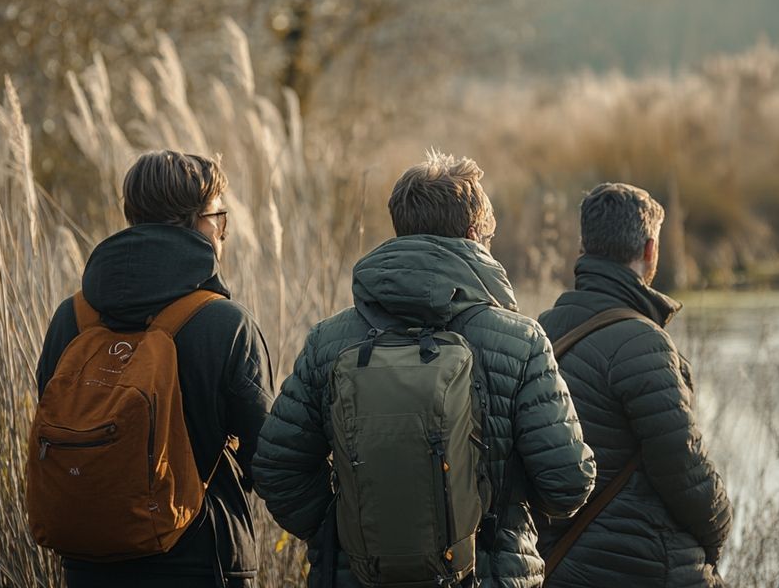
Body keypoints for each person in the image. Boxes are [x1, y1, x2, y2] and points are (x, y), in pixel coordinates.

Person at [251, 151, 596, 588]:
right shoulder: (519, 341)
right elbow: (567, 482)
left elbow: (276, 468)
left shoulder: (330, 340)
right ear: (473, 235)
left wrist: (348, 530)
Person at [34, 150, 274, 587]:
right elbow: (267, 454)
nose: (223, 233)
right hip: (203, 560)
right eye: (220, 218)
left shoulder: (71, 316)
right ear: (200, 222)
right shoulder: (224, 322)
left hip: (90, 564)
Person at [535, 182, 732, 588]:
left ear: (584, 246)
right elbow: (682, 464)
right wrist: (719, 528)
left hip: (557, 564)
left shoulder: (541, 331)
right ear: (649, 250)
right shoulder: (643, 342)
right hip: (643, 565)